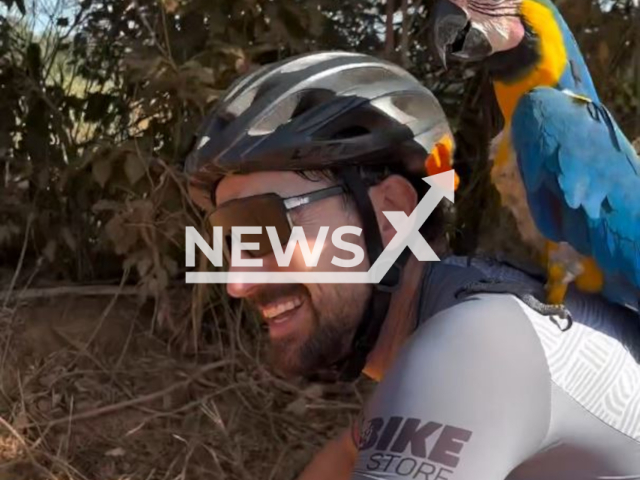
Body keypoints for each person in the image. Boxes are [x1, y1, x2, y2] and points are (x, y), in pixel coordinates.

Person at [183, 51, 640, 479]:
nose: (237, 282)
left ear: (390, 214)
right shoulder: (459, 306)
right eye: (230, 238)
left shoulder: (472, 347)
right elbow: (350, 450)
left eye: (262, 227)